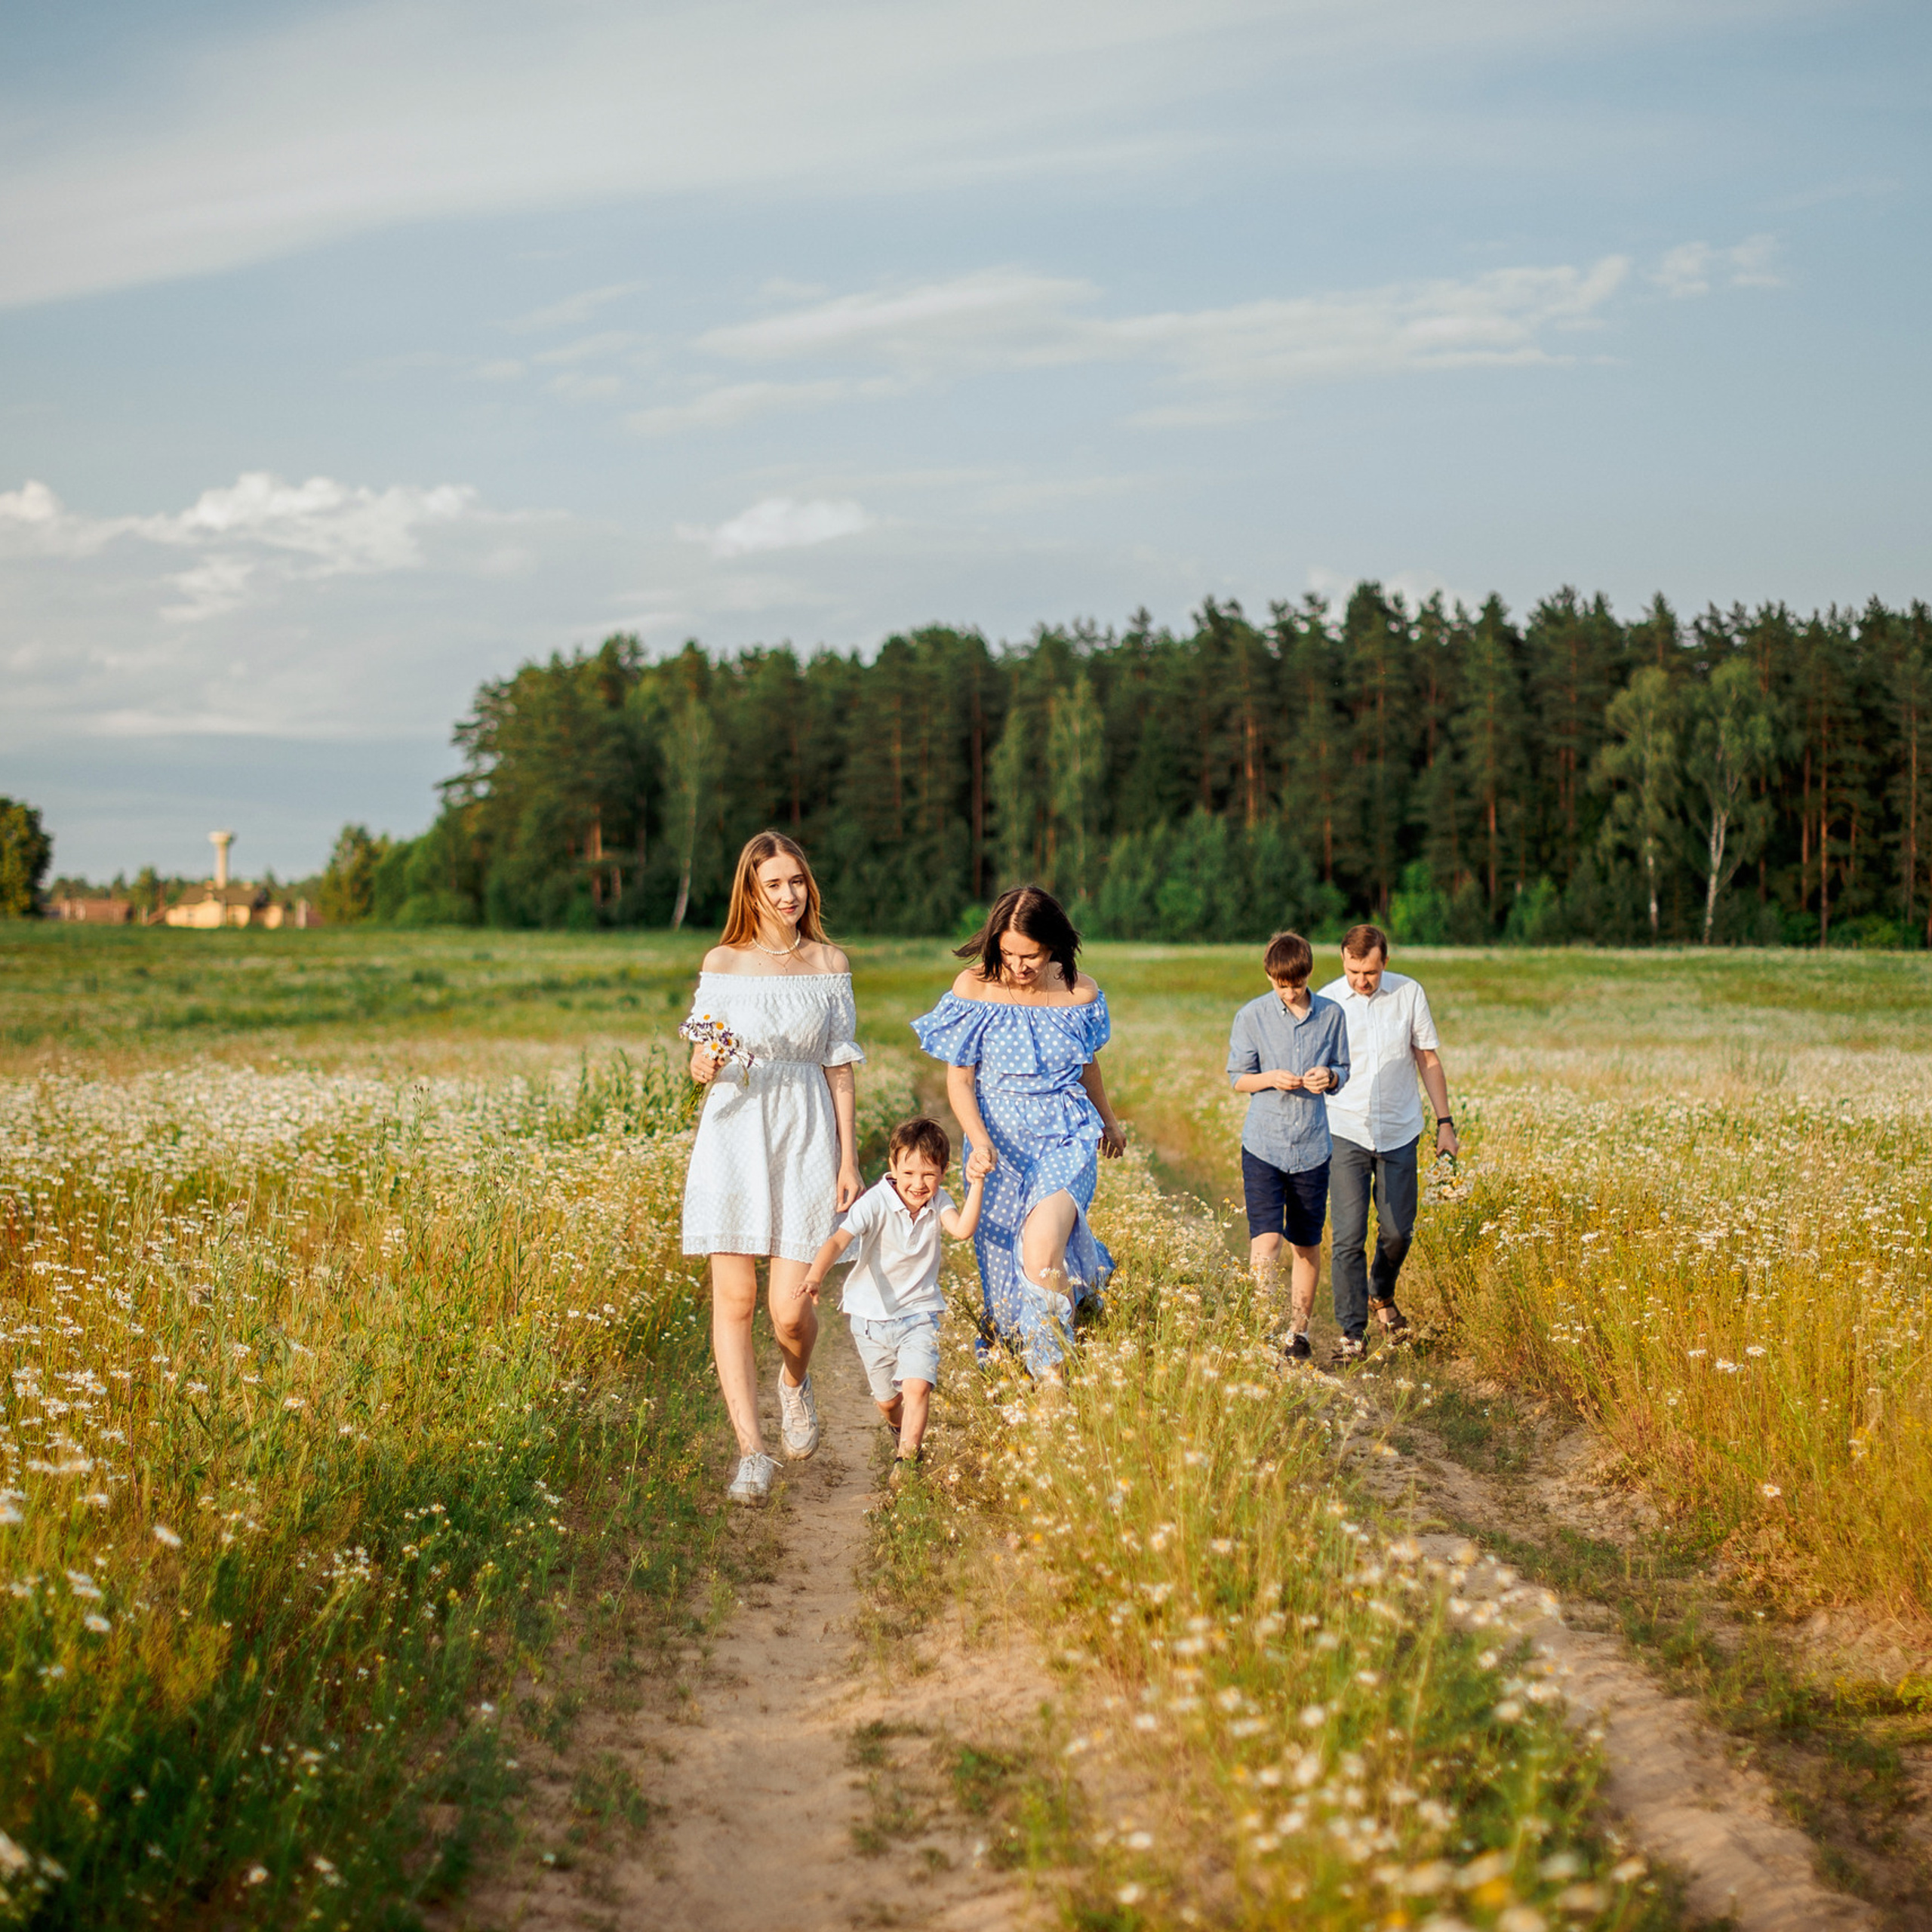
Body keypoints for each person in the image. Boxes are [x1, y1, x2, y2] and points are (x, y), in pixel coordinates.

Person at [680, 831, 864, 1503]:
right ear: (750, 891)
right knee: (736, 1300)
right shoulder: (723, 961)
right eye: (775, 885)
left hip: (807, 1131)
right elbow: (704, 1045)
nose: (789, 896)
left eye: (797, 882)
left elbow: (840, 1065)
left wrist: (849, 1158)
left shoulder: (829, 961)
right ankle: (751, 1453)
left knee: (790, 1312)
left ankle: (794, 1384)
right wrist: (701, 1064)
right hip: (734, 1130)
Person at [911, 885, 1125, 1379]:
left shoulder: (1080, 993)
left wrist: (1108, 1120)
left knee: (1041, 1245)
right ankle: (1043, 1329)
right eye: (1007, 953)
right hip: (997, 1143)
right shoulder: (973, 989)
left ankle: (1052, 1377)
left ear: (1052, 947)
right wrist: (978, 1138)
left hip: (1065, 1137)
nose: (1018, 966)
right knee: (1006, 1273)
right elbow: (960, 1080)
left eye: (1029, 955)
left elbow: (1088, 1066)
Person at [800, 1116, 991, 1475]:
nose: (918, 1185)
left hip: (919, 1314)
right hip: (871, 1319)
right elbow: (839, 1240)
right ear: (893, 1168)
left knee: (918, 1386)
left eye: (929, 1175)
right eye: (909, 1174)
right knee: (889, 1403)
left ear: (943, 1172)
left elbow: (963, 1230)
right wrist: (814, 1276)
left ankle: (907, 1465)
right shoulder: (876, 1202)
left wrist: (976, 1183)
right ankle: (898, 1428)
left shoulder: (941, 1201)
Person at [1317, 922, 1460, 1367]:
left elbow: (1428, 1059)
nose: (1361, 981)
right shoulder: (1326, 1001)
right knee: (1348, 1236)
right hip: (1345, 1129)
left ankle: (1381, 1292)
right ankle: (1352, 1335)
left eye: (1371, 973)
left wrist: (1445, 1122)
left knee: (1398, 1230)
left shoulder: (1408, 994)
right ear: (1343, 960)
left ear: (1385, 963)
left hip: (1400, 1129)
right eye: (1354, 971)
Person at [1226, 930, 1351, 1362]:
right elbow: (1238, 1077)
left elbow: (1343, 1069)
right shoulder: (1251, 1016)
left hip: (1313, 1147)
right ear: (1269, 977)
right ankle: (1263, 1331)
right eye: (1282, 985)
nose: (1291, 992)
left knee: (1305, 1244)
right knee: (1267, 1244)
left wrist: (1328, 1077)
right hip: (1263, 1144)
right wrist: (1271, 1078)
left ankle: (1297, 1334)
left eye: (1297, 984)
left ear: (1309, 974)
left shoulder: (1332, 1015)